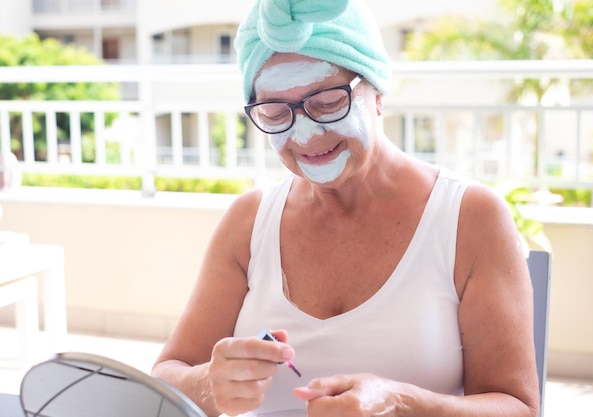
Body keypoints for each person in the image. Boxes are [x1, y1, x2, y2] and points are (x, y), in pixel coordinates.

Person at [152, 0, 540, 416]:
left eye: (327, 101)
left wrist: (402, 404)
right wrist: (206, 384)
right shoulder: (249, 221)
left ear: (377, 93)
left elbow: (517, 407)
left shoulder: (470, 218)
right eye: (275, 111)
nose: (304, 133)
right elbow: (166, 375)